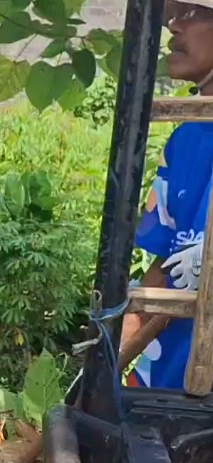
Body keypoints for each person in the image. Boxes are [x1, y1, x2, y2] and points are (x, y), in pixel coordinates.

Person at [125, 0, 213, 388]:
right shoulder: (185, 138)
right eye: (172, 16)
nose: (174, 26)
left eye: (192, 13)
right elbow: (164, 264)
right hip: (167, 377)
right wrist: (103, 362)